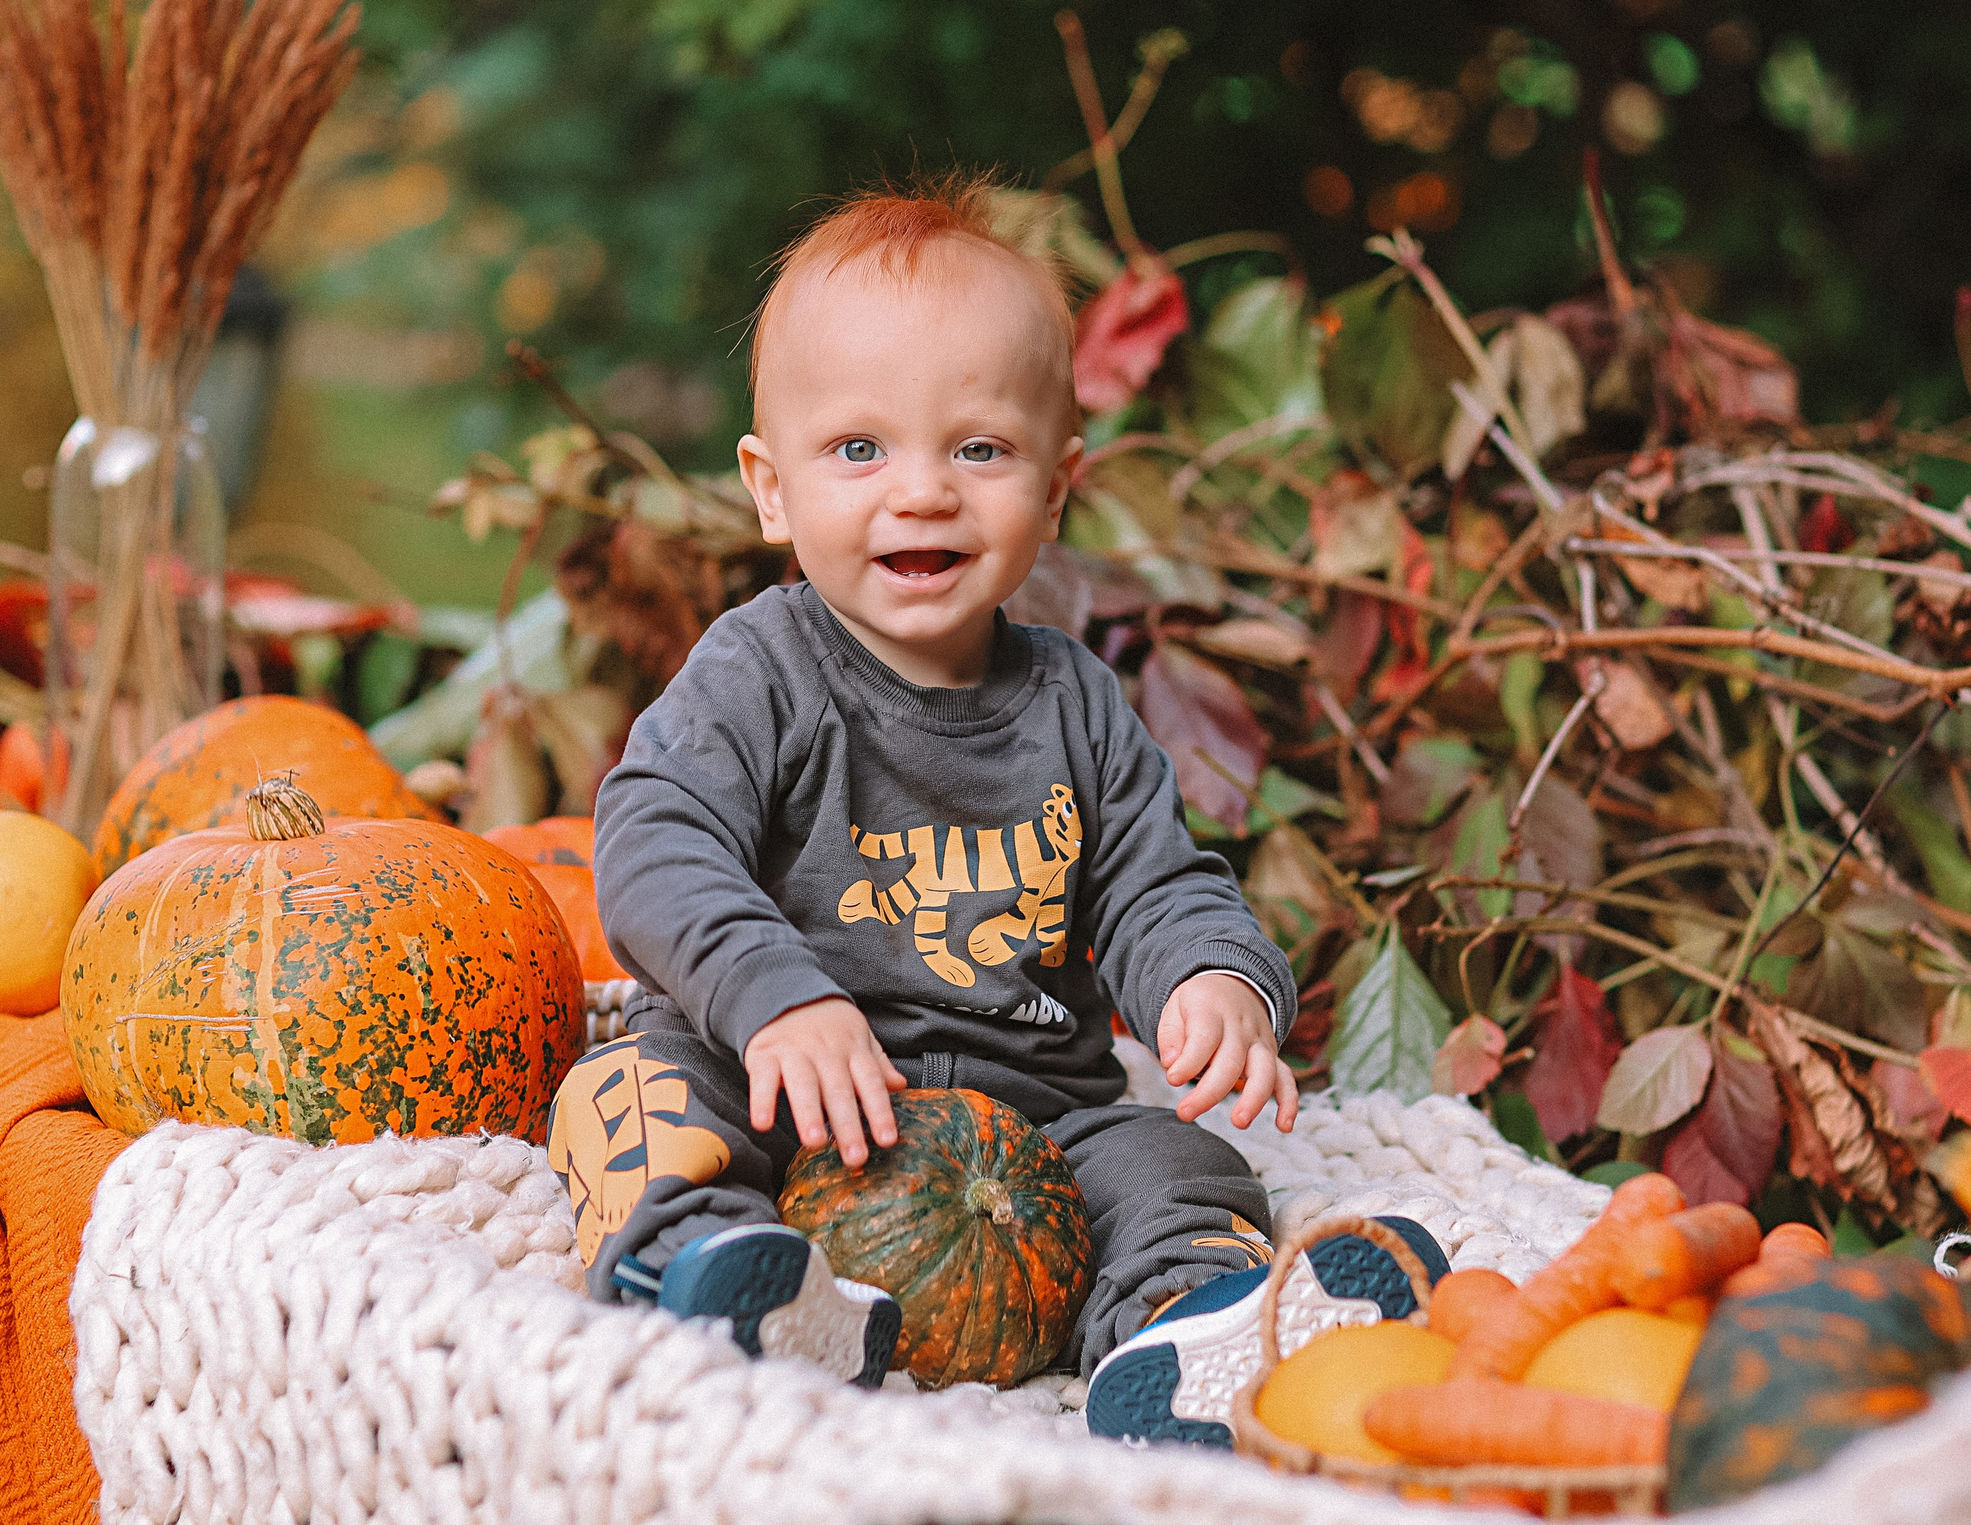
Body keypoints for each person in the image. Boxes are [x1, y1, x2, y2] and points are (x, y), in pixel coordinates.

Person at [544, 173, 1442, 1445]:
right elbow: (652, 836)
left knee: (1176, 1159)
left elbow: (1155, 878)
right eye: (859, 448)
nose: (922, 491)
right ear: (770, 487)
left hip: (1027, 1116)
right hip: (782, 1074)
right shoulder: (761, 670)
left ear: (1056, 487)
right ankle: (710, 1270)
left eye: (979, 447)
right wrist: (774, 997)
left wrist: (1212, 978)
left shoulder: (1074, 701)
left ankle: (1195, 1324)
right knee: (634, 1087)